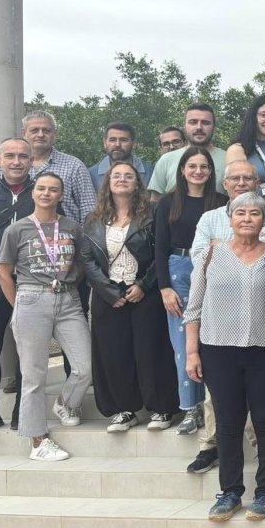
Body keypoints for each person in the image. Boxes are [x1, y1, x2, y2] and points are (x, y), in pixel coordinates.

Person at [185, 192, 265, 521]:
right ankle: (230, 492)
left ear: (264, 219)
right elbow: (194, 308)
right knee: (228, 424)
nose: (246, 218)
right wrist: (191, 352)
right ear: (229, 218)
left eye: (254, 213)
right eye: (239, 212)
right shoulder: (211, 254)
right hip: (218, 350)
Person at [0, 173, 90, 461]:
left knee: (85, 366)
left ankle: (65, 402)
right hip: (30, 297)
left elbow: (82, 263)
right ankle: (37, 441)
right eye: (41, 188)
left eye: (53, 189)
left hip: (68, 299)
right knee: (33, 376)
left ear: (61, 195)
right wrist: (19, 306)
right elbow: (3, 271)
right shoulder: (18, 230)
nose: (47, 193)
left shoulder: (73, 227)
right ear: (33, 193)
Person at [81, 162, 177, 432]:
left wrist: (144, 285)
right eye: (116, 176)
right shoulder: (93, 219)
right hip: (107, 295)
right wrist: (109, 291)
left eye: (129, 176)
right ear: (107, 182)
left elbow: (162, 252)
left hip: (144, 292)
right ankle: (124, 410)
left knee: (151, 350)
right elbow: (87, 259)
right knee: (113, 353)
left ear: (137, 183)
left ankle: (161, 408)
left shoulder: (153, 213)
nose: (122, 179)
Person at [155, 147, 227, 435]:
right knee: (184, 344)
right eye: (192, 166)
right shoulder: (168, 202)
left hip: (214, 269)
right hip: (178, 270)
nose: (198, 171)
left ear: (211, 171)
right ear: (182, 170)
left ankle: (214, 403)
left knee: (213, 342)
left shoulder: (221, 202)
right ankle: (190, 408)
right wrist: (164, 287)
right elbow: (159, 247)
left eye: (204, 166)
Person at [0, 139, 36, 430]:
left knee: (29, 352)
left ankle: (23, 412)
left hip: (33, 286)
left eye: (23, 156)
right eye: (10, 156)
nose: (16, 161)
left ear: (31, 160)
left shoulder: (43, 192)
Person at [6, 111, 95, 226]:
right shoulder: (7, 167)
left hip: (64, 239)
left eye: (46, 130)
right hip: (17, 240)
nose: (40, 135)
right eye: (34, 130)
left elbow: (90, 211)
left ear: (55, 134)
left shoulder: (74, 166)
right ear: (24, 133)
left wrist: (82, 241)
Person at [147, 104, 227, 200]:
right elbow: (155, 202)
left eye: (205, 123)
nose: (199, 127)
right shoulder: (166, 160)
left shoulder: (228, 159)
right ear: (184, 126)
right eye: (193, 122)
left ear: (214, 126)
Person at [90, 123, 152, 191]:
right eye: (112, 140)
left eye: (123, 140)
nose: (117, 145)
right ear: (105, 143)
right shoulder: (91, 174)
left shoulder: (150, 172)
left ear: (134, 144)